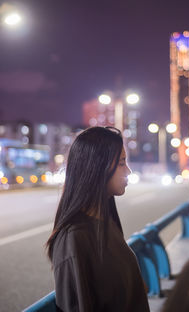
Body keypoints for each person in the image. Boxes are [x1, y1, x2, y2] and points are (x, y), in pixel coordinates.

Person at [46, 126, 150, 312]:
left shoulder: (106, 221)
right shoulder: (74, 238)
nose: (128, 171)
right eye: (121, 163)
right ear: (96, 167)